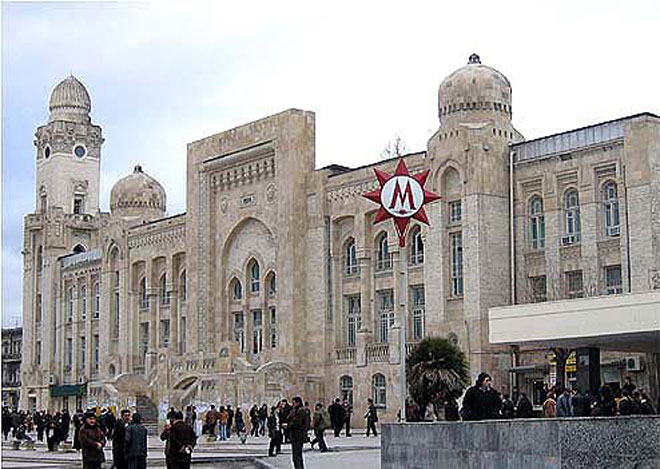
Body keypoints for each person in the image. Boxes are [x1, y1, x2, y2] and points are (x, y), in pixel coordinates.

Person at [284, 396, 308, 469]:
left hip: (298, 435)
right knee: (297, 455)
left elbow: (297, 422)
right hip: (296, 435)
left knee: (296, 456)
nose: (292, 404)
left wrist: (288, 426)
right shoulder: (296, 410)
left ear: (298, 403)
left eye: (294, 402)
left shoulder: (300, 411)